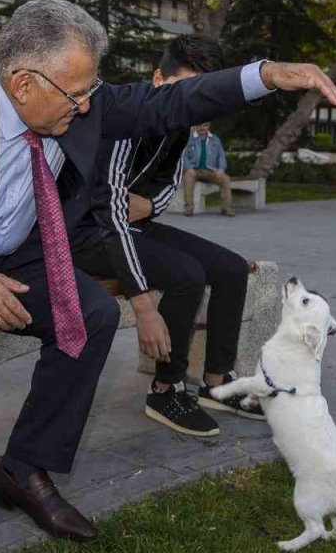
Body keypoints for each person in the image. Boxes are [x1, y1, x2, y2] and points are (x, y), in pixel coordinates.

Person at [0, 0, 336, 552]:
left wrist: (266, 75)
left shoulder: (72, 99)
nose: (86, 108)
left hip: (4, 254)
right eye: (76, 94)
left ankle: (23, 468)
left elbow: (168, 101)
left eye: (90, 92)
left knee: (92, 313)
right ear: (24, 82)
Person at [80, 34, 264, 438]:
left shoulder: (181, 124)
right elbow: (109, 212)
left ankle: (217, 383)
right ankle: (166, 389)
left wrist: (143, 205)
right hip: (87, 234)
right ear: (158, 78)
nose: (194, 104)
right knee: (186, 274)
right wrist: (144, 306)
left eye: (204, 95)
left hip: (131, 223)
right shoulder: (124, 117)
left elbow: (163, 191)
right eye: (188, 90)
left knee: (231, 269)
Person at [181, 122, 233, 216]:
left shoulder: (215, 140)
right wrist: (188, 168)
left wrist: (221, 169)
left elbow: (221, 156)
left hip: (211, 171)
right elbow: (183, 156)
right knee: (187, 177)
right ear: (196, 126)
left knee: (225, 179)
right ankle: (189, 208)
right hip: (194, 171)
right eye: (200, 125)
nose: (202, 128)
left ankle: (226, 208)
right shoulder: (190, 139)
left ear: (208, 127)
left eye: (205, 125)